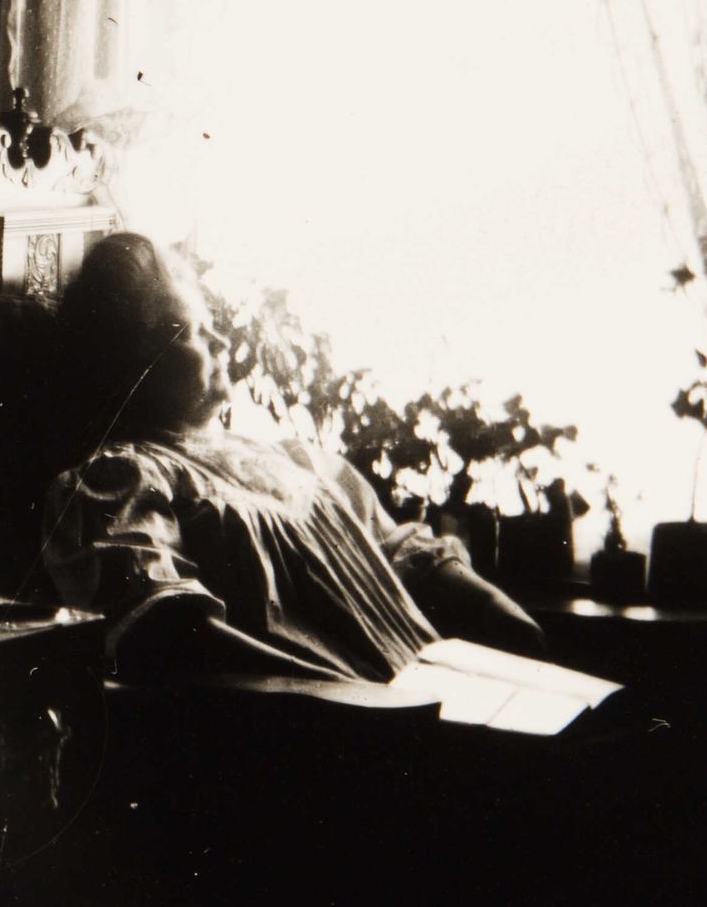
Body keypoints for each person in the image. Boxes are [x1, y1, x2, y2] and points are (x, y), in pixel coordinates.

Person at [43, 233, 543, 685]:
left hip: (433, 692)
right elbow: (169, 631)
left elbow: (402, 553)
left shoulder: (293, 459)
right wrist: (349, 695)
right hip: (329, 722)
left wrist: (494, 608)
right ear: (135, 363)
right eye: (193, 331)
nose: (222, 342)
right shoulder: (122, 480)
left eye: (212, 325)